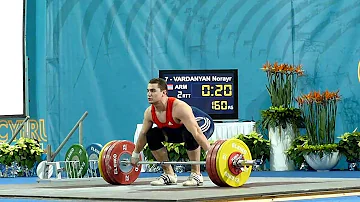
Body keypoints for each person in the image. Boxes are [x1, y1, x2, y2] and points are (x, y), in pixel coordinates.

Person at [131, 78, 212, 186]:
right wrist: (135, 154)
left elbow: (196, 132)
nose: (149, 94)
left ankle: (196, 174)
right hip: (177, 129)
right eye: (148, 91)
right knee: (151, 135)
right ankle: (169, 174)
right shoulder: (149, 112)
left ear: (164, 93)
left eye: (153, 91)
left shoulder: (179, 107)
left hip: (202, 123)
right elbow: (143, 134)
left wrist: (212, 154)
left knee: (190, 134)